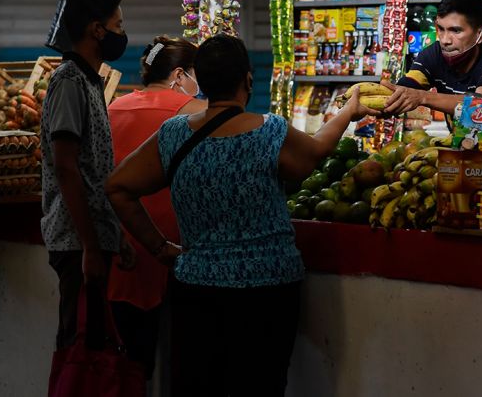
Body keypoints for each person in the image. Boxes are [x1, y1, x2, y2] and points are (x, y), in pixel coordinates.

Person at [105, 34, 376, 395]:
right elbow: (315, 154)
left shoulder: (172, 135)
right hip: (269, 292)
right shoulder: (270, 132)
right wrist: (349, 111)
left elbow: (118, 188)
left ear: (201, 81)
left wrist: (160, 248)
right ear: (248, 80)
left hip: (198, 291)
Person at [39, 0, 133, 355]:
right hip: (76, 243)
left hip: (91, 239)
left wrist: (115, 236)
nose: (122, 34)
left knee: (94, 347)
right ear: (98, 29)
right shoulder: (69, 82)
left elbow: (94, 173)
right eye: (119, 25)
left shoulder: (91, 81)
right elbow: (66, 168)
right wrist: (91, 248)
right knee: (79, 352)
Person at [106, 36, 206, 380]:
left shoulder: (113, 107)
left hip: (123, 244)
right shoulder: (195, 114)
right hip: (176, 249)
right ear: (179, 74)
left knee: (129, 364)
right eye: (196, 74)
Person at [380, 0, 482, 118]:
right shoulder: (433, 55)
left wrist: (422, 97)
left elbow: (481, 106)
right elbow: (405, 88)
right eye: (441, 29)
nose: (444, 40)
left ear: (480, 35)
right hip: (459, 139)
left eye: (456, 31)